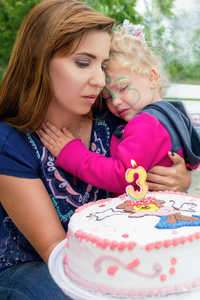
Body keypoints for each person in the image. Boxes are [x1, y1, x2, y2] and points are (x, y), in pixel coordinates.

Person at [0, 3, 191, 298]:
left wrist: (177, 180)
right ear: (39, 60)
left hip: (111, 260)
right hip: (34, 264)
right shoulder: (9, 142)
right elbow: (55, 248)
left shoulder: (113, 116)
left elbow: (144, 172)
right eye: (82, 62)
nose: (100, 81)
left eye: (102, 65)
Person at [38, 20, 200, 196]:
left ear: (152, 77)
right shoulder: (171, 113)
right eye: (107, 97)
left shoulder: (146, 122)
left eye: (122, 88)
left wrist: (71, 153)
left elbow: (123, 175)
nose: (115, 102)